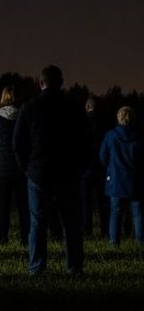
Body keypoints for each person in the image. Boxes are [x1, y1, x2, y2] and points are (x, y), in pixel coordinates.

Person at [13, 65, 91, 276]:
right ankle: (74, 267)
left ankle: (37, 267)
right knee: (71, 223)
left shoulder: (29, 107)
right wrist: (80, 167)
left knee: (38, 223)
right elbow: (86, 141)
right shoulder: (75, 108)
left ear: (40, 83)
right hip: (68, 173)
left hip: (39, 173)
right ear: (61, 82)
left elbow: (18, 143)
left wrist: (26, 168)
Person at [0, 86, 28, 246]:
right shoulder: (21, 116)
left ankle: (2, 238)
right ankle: (25, 238)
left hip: (1, 168)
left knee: (3, 206)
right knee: (23, 206)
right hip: (19, 167)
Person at [99, 106, 142, 245]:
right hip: (135, 180)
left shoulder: (110, 135)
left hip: (116, 180)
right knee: (138, 213)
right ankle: (140, 241)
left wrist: (110, 168)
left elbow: (102, 156)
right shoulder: (139, 137)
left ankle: (114, 242)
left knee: (116, 213)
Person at [81, 97, 110, 239]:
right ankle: (105, 230)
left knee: (85, 203)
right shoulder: (105, 123)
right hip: (101, 168)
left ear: (87, 106)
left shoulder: (81, 123)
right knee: (103, 202)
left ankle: (87, 231)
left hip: (85, 169)